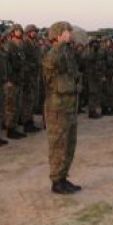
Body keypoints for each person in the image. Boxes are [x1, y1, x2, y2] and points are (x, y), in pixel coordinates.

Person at [42, 21, 82, 194]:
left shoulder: (67, 52)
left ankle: (63, 177)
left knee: (69, 144)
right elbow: (52, 62)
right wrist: (60, 42)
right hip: (57, 108)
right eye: (66, 31)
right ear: (58, 34)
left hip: (69, 105)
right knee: (58, 144)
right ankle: (56, 181)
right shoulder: (52, 53)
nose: (70, 34)